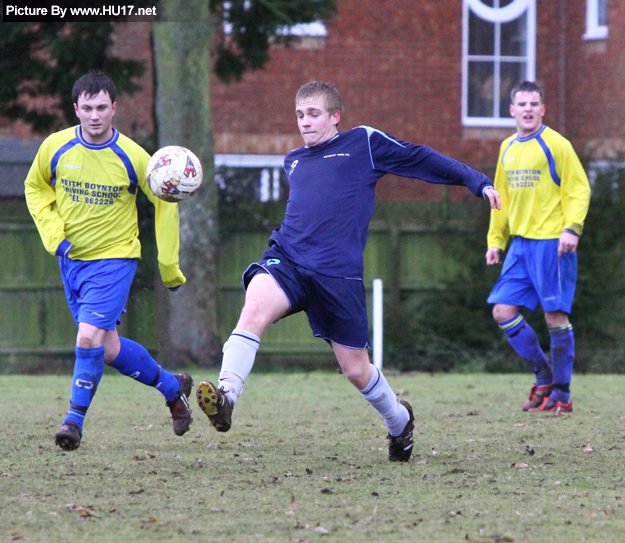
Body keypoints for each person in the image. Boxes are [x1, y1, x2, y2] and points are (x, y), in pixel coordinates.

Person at [195, 81, 500, 462]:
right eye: (299, 115)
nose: (304, 123)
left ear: (335, 116)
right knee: (253, 308)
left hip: (336, 276)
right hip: (287, 258)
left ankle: (399, 422)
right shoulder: (292, 160)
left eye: (313, 114)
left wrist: (476, 181)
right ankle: (226, 397)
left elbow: (419, 157)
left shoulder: (363, 144)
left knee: (356, 370)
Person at [24, 71, 193, 451]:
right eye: (87, 108)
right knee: (109, 348)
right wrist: (54, 235)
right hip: (72, 262)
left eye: (102, 107)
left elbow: (165, 204)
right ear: (76, 109)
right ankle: (172, 388)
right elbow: (34, 189)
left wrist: (169, 266)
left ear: (114, 108)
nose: (95, 115)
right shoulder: (55, 147)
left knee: (87, 337)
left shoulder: (134, 157)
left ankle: (73, 422)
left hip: (114, 261)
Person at [486, 80, 591, 414]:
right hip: (519, 246)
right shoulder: (507, 148)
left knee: (554, 317)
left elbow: (579, 189)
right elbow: (498, 198)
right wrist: (495, 241)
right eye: (522, 104)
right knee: (502, 310)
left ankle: (562, 392)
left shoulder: (556, 144)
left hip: (552, 243)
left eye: (535, 104)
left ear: (542, 109)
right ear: (512, 110)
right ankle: (544, 375)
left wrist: (572, 228)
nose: (528, 109)